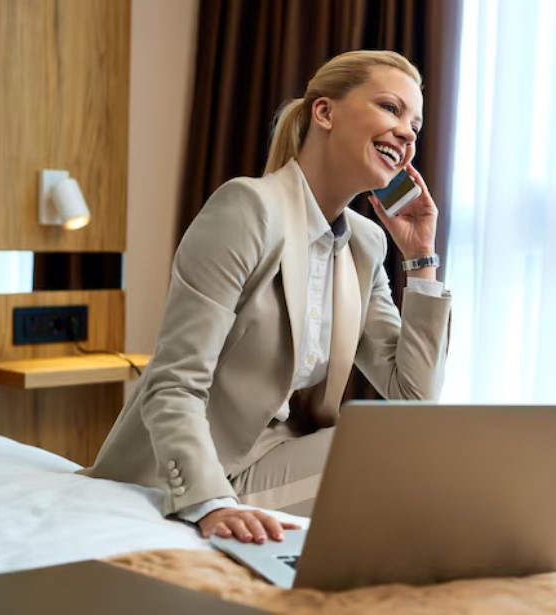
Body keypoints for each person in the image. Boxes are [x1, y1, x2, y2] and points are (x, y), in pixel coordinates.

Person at [82, 50, 451, 545]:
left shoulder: (366, 243)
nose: (407, 133)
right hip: (193, 474)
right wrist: (209, 503)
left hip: (272, 464)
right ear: (324, 112)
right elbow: (172, 383)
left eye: (415, 123)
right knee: (409, 484)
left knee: (422, 447)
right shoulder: (247, 208)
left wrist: (421, 257)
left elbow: (414, 396)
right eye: (391, 108)